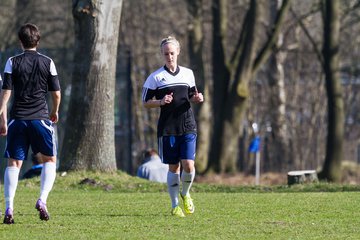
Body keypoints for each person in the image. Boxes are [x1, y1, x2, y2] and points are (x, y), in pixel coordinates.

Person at [0, 23, 61, 224]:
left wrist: (3, 118)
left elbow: (6, 93)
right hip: (40, 118)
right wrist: (54, 112)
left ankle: (9, 207)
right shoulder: (48, 62)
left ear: (20, 41)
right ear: (38, 40)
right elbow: (57, 94)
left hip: (18, 119)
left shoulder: (12, 61)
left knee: (13, 164)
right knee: (49, 161)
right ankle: (42, 200)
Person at [142, 36, 204, 217]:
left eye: (172, 53)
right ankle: (175, 204)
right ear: (162, 54)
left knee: (189, 165)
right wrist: (161, 101)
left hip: (188, 124)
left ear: (178, 52)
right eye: (166, 53)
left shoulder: (188, 73)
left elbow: (193, 94)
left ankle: (185, 193)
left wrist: (198, 99)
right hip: (168, 127)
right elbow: (145, 102)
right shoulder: (155, 77)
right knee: (174, 167)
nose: (169, 56)